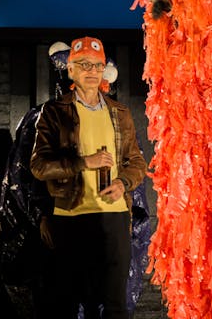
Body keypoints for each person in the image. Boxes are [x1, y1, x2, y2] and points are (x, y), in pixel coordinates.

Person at [30, 36, 148, 319]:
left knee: (115, 305)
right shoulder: (55, 112)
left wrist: (123, 183)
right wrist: (84, 162)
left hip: (114, 218)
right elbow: (39, 166)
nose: (92, 71)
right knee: (67, 302)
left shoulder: (120, 113)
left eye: (97, 65)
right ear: (70, 70)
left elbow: (137, 162)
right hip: (70, 216)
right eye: (84, 65)